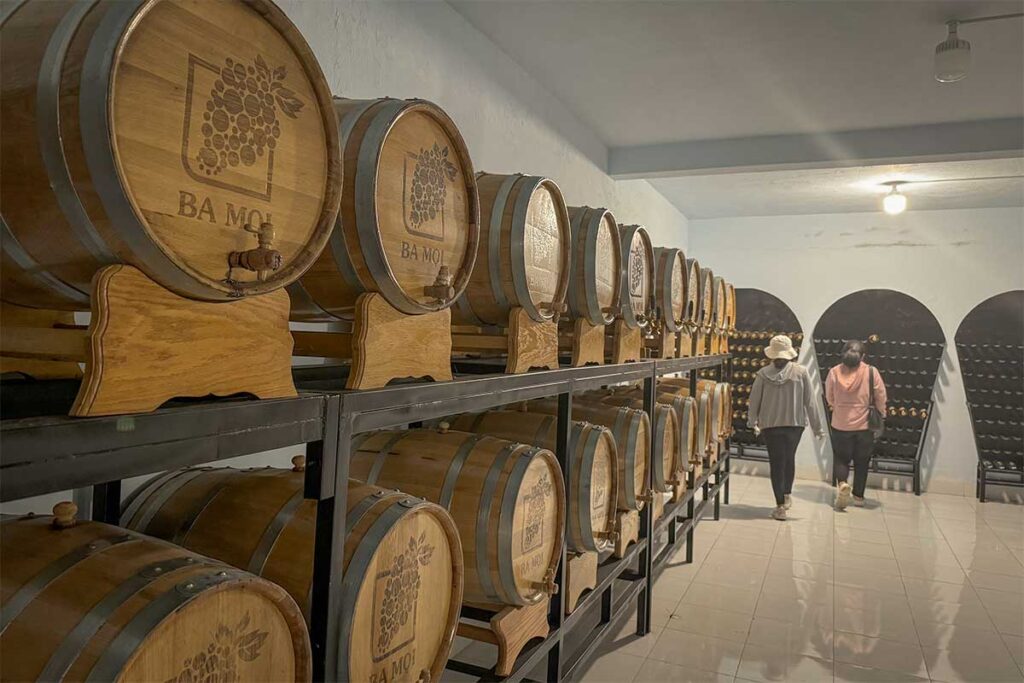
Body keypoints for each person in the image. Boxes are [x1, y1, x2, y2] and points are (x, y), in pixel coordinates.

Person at [748, 335, 825, 521]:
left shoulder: (763, 374)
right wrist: (817, 428)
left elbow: (754, 400)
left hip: (770, 425)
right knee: (789, 458)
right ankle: (787, 494)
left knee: (776, 463)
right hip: (794, 425)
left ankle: (780, 505)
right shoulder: (801, 372)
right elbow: (810, 402)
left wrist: (752, 422)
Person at [826, 339, 887, 510]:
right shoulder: (871, 372)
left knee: (841, 459)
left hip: (840, 423)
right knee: (862, 461)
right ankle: (858, 496)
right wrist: (882, 414)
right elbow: (881, 395)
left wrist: (839, 406)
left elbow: (829, 397)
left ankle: (843, 484)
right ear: (863, 356)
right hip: (864, 425)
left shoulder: (834, 372)